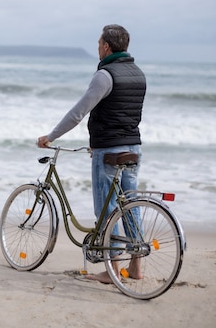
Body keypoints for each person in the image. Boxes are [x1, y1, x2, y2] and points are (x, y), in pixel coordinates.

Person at [37, 24, 146, 284]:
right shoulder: (138, 73)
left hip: (109, 150)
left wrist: (51, 136)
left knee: (107, 211)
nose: (97, 47)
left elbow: (78, 112)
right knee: (129, 207)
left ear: (106, 46)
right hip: (133, 148)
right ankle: (136, 268)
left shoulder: (105, 75)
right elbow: (124, 113)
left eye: (99, 43)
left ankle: (111, 271)